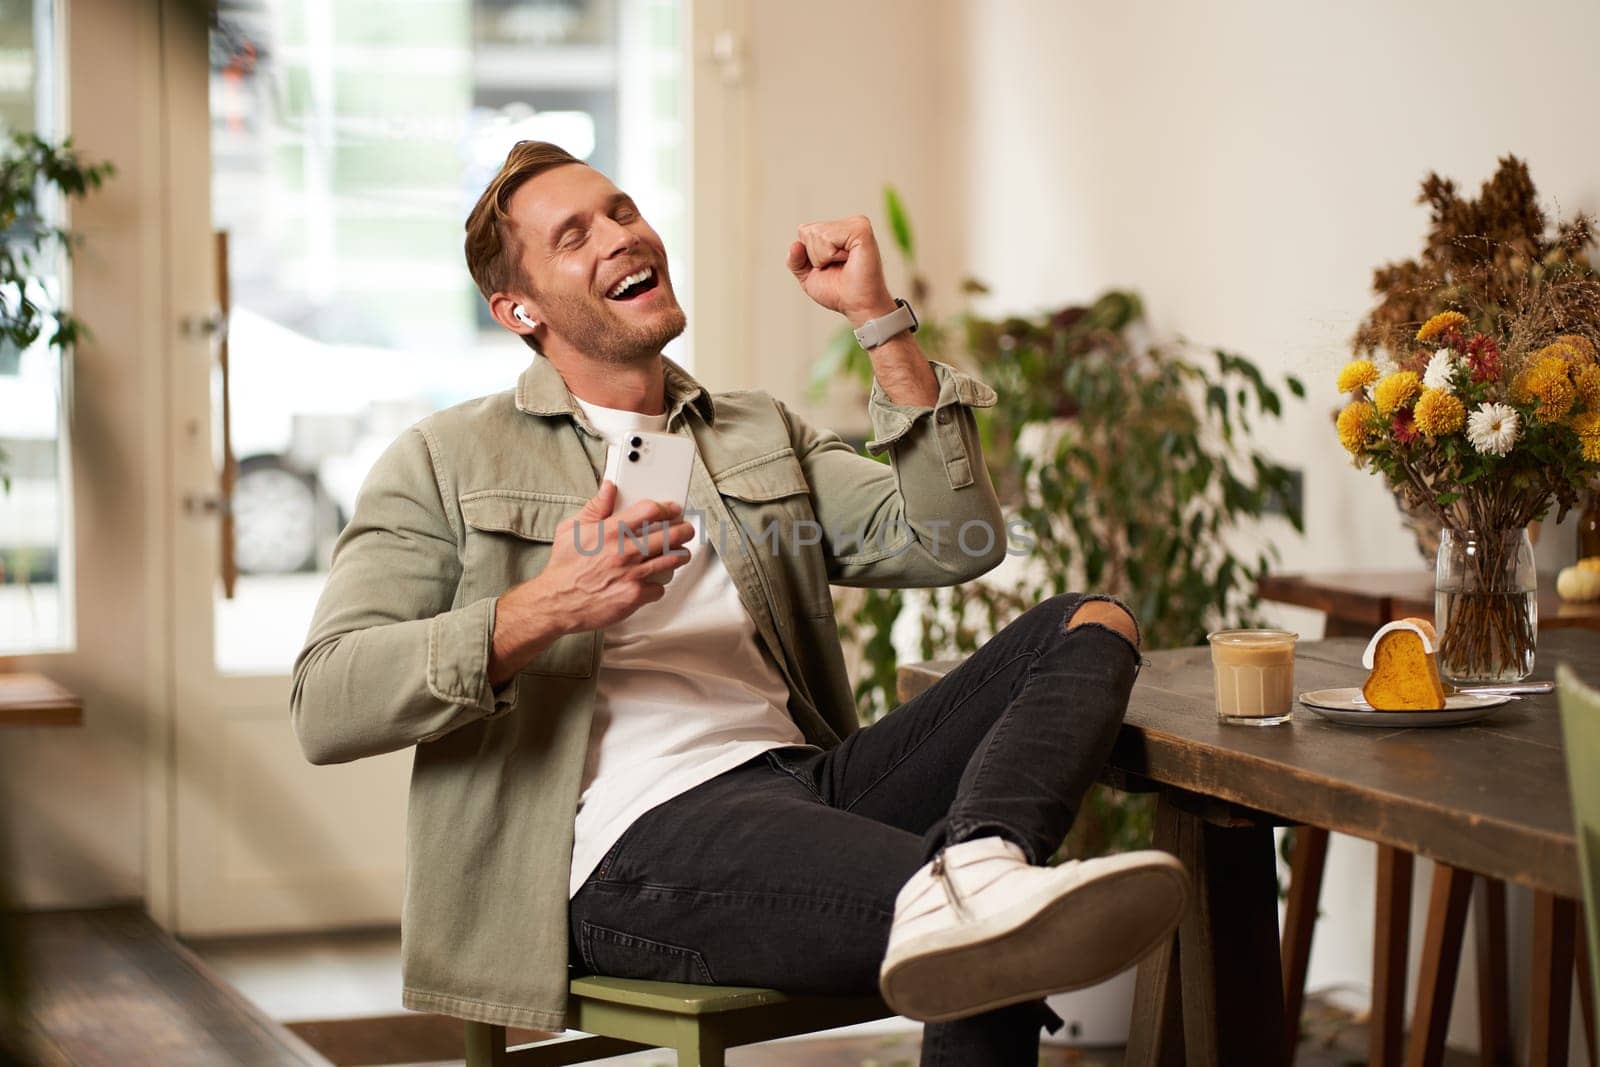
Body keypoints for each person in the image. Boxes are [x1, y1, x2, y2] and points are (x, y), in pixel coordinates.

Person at [290, 140, 1189, 1065]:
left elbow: (955, 536)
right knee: (993, 939)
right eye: (574, 235)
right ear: (517, 309)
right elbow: (327, 701)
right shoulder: (446, 460)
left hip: (801, 785)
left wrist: (879, 322)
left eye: (623, 210)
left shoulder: (754, 429)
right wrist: (546, 607)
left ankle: (982, 862)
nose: (620, 234)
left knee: (1089, 625)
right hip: (620, 850)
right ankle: (972, 890)